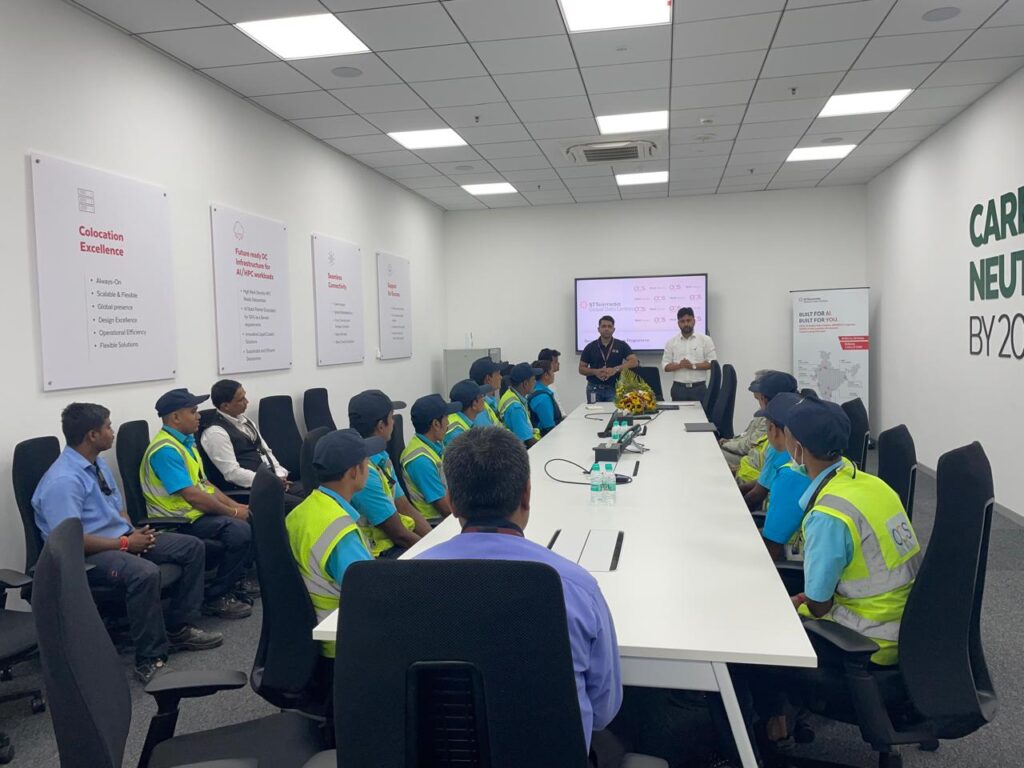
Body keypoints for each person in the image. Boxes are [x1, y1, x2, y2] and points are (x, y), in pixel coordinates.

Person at [414, 427, 622, 754]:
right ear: (526, 494)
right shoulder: (575, 587)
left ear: (451, 502)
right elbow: (603, 711)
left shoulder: (406, 583)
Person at [32, 403, 222, 683]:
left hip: (120, 538)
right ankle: (149, 660)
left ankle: (180, 627)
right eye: (108, 427)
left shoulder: (96, 464)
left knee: (192, 547)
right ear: (92, 435)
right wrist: (123, 544)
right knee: (144, 573)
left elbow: (118, 508)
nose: (113, 431)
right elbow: (68, 541)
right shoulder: (63, 481)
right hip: (86, 555)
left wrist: (133, 533)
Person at [786, 393, 921, 666]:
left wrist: (796, 601)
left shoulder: (828, 515)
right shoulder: (873, 485)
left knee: (771, 632)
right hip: (908, 625)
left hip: (868, 640)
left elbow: (818, 604)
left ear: (798, 449)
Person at [140, 388, 254, 620]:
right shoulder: (165, 450)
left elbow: (206, 485)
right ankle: (216, 597)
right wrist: (232, 512)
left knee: (248, 517)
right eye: (193, 411)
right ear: (175, 417)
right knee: (238, 530)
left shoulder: (185, 443)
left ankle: (231, 584)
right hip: (175, 522)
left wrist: (238, 507)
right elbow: (192, 495)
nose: (199, 416)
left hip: (195, 516)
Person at [286, 429, 376, 659]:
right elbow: (370, 593)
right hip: (347, 640)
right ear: (354, 472)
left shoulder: (303, 510)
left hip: (316, 633)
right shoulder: (339, 529)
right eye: (368, 463)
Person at [347, 389, 431, 558]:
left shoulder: (380, 457)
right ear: (381, 426)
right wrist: (436, 553)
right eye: (391, 417)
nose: (394, 422)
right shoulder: (363, 472)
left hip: (396, 542)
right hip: (380, 554)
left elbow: (404, 506)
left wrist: (434, 540)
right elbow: (399, 534)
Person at [199, 379, 303, 508]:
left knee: (314, 495)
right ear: (225, 406)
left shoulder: (246, 421)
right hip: (248, 490)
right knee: (301, 506)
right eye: (241, 400)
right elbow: (232, 473)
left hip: (271, 482)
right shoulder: (215, 432)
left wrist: (279, 474)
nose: (246, 402)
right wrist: (270, 481)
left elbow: (266, 451)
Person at [745, 393, 812, 563]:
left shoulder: (791, 476)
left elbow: (770, 550)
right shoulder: (836, 463)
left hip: (799, 565)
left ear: (774, 430)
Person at [736, 372, 799, 501]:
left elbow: (758, 494)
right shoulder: (802, 428)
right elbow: (767, 479)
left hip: (770, 505)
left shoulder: (780, 445)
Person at [401, 394, 460, 523]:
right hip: (435, 523)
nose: (448, 424)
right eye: (446, 419)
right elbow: (445, 508)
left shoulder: (434, 445)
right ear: (436, 424)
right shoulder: (420, 460)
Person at [578, 316, 639, 403]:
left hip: (614, 388)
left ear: (613, 329)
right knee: (594, 414)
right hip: (594, 388)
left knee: (613, 414)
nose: (606, 329)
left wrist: (615, 369)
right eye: (603, 326)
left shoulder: (621, 345)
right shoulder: (590, 347)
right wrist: (595, 371)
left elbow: (634, 362)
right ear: (598, 329)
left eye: (609, 326)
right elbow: (581, 368)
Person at [661, 307, 716, 403]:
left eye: (688, 320)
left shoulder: (705, 340)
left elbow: (712, 363)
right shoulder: (671, 342)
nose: (686, 324)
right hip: (678, 389)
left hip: (699, 388)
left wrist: (693, 366)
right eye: (682, 321)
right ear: (678, 324)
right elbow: (665, 366)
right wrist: (679, 366)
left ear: (694, 321)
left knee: (700, 418)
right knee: (678, 418)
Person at [720, 369, 772, 470]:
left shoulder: (771, 418)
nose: (760, 402)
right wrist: (730, 441)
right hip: (747, 457)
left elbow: (750, 445)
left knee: (713, 455)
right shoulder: (763, 410)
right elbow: (748, 435)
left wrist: (727, 444)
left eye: (760, 398)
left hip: (748, 458)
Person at [500, 363, 542, 447]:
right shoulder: (515, 408)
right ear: (525, 384)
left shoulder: (510, 393)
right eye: (533, 380)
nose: (535, 383)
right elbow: (528, 441)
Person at [445, 379, 494, 447]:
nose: (484, 400)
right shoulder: (457, 433)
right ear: (474, 404)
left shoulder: (463, 420)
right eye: (481, 397)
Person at [529, 359, 563, 437]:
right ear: (546, 375)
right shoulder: (542, 398)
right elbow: (549, 428)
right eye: (552, 371)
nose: (554, 374)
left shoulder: (536, 390)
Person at [469, 356, 504, 427]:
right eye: (498, 374)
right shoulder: (479, 409)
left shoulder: (489, 402)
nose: (501, 377)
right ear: (488, 379)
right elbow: (490, 436)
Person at [537, 347, 565, 414]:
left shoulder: (550, 383)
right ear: (547, 363)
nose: (558, 364)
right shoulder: (545, 386)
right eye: (555, 362)